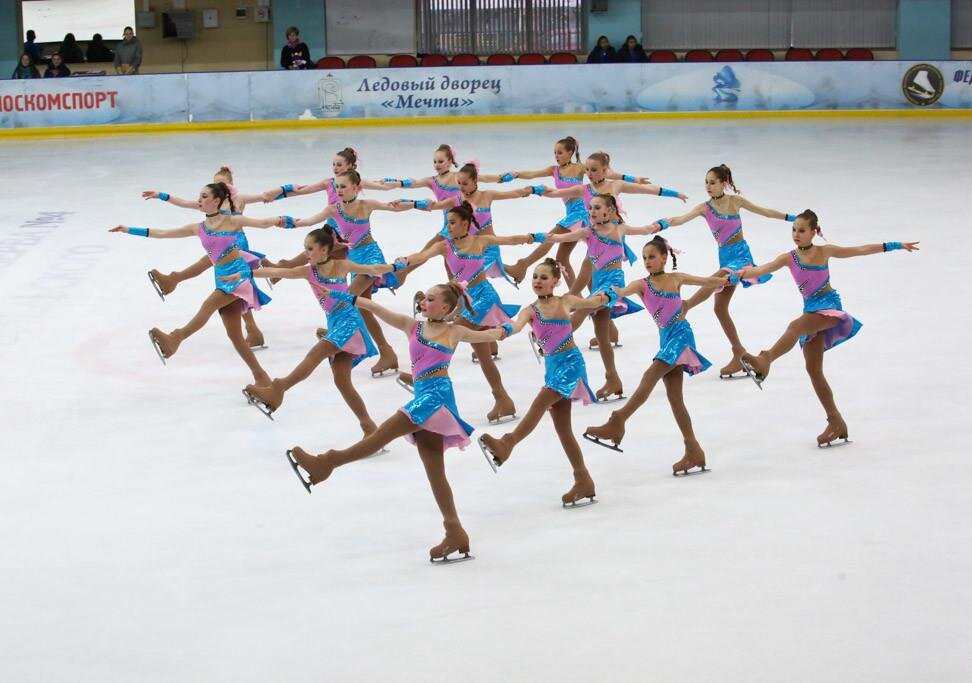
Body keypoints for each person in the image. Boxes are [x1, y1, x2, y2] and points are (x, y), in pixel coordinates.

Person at [286, 281, 512, 562]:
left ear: (446, 307)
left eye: (430, 299)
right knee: (435, 472)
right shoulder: (412, 326)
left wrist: (507, 329)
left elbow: (491, 334)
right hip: (425, 397)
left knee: (381, 435)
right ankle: (455, 531)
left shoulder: (455, 332)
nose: (423, 302)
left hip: (435, 399)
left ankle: (326, 463)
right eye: (424, 298)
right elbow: (373, 306)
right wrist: (335, 294)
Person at [735, 211, 919, 446]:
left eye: (802, 230)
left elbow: (859, 250)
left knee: (794, 327)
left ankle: (765, 360)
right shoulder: (788, 258)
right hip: (811, 311)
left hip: (829, 308)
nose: (796, 234)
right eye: (794, 230)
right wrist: (739, 274)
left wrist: (895, 245)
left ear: (813, 232)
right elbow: (761, 270)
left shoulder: (825, 251)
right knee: (813, 370)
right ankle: (836, 421)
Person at [109, 182, 289, 384]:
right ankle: (262, 378)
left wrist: (283, 220)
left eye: (204, 196)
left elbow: (263, 223)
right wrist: (128, 229)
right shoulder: (199, 228)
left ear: (217, 200)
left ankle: (175, 339)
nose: (199, 200)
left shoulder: (232, 221)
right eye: (199, 196)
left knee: (208, 305)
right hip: (221, 279)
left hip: (238, 278)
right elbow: (164, 233)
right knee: (235, 336)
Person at [583, 237, 729, 475]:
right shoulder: (641, 284)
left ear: (664, 257)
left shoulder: (676, 278)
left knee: (650, 374)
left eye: (652, 257)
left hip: (681, 335)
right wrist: (607, 295)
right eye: (644, 258)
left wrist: (728, 277)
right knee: (675, 399)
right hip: (666, 337)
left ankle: (618, 421)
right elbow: (622, 291)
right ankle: (693, 450)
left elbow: (708, 281)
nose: (647, 261)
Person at [477, 259, 608, 507]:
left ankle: (508, 442)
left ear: (556, 281)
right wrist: (504, 330)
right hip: (552, 368)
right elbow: (516, 326)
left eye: (543, 277)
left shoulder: (565, 301)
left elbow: (591, 302)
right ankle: (583, 479)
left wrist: (606, 295)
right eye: (535, 276)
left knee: (539, 404)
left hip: (571, 364)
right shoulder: (531, 310)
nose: (537, 280)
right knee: (563, 430)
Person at [238, 227, 390, 439]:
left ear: (325, 249)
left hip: (349, 321)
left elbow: (371, 268)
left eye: (310, 248)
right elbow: (279, 272)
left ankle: (278, 388)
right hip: (335, 322)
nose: (306, 253)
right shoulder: (308, 271)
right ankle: (369, 428)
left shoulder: (342, 265)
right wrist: (246, 273)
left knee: (316, 353)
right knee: (342, 382)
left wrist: (395, 266)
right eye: (305, 249)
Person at [394, 201, 539, 423]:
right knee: (482, 355)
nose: (448, 227)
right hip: (467, 300)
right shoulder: (445, 246)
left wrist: (532, 236)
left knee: (453, 332)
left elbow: (508, 240)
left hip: (484, 298)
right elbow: (422, 255)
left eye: (452, 223)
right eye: (447, 222)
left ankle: (426, 377)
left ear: (465, 224)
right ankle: (503, 400)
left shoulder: (480, 241)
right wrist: (405, 261)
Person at [646, 164, 796, 378]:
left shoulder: (736, 201)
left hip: (741, 257)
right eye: (706, 182)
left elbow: (766, 212)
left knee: (717, 278)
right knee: (719, 308)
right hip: (725, 257)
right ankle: (739, 353)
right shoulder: (704, 208)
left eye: (712, 182)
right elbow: (681, 219)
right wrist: (662, 224)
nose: (708, 186)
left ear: (723, 183)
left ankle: (687, 304)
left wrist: (791, 218)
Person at [288, 169, 414, 377]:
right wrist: (290, 222)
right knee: (361, 306)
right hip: (354, 258)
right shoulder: (333, 209)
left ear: (356, 187)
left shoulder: (366, 205)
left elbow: (393, 207)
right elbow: (310, 222)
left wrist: (417, 204)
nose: (339, 190)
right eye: (337, 186)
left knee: (348, 298)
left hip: (371, 256)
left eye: (343, 186)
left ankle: (359, 341)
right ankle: (386, 352)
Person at [142, 165, 276, 349]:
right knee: (232, 291)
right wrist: (161, 195)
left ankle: (173, 280)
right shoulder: (212, 206)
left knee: (230, 287)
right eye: (215, 183)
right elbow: (184, 203)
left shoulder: (238, 199)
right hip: (219, 242)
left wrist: (280, 193)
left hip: (236, 244)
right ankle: (253, 330)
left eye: (221, 183)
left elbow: (264, 196)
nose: (217, 186)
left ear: (230, 185)